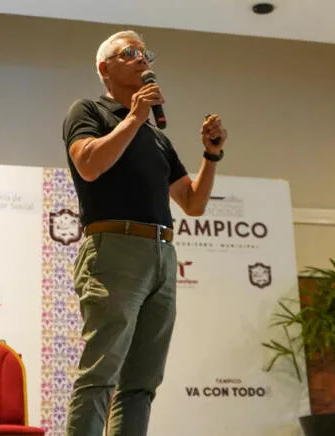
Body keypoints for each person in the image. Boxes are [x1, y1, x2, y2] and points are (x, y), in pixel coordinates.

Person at [61, 30, 227, 436]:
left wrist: (211, 155)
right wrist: (135, 116)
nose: (142, 59)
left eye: (145, 53)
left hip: (162, 256)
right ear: (104, 68)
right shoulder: (88, 110)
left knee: (142, 383)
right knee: (101, 372)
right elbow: (88, 165)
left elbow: (192, 203)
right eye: (130, 52)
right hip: (114, 250)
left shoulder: (157, 137)